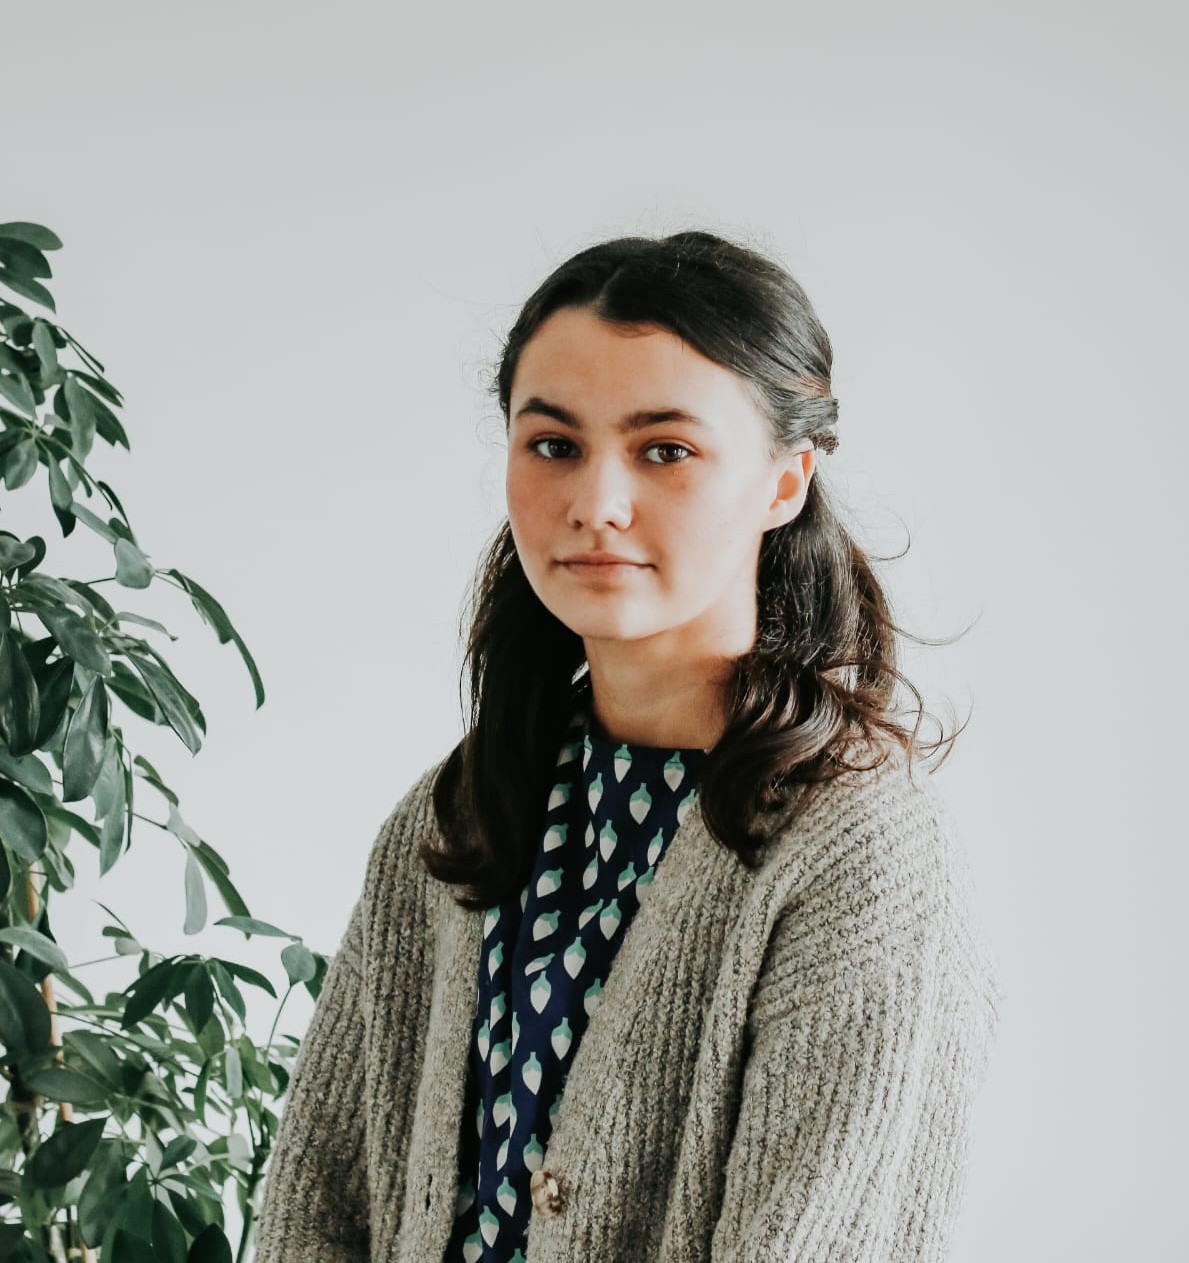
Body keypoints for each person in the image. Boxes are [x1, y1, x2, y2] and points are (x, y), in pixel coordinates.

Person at [253, 229, 1005, 1262]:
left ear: (785, 481)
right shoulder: (458, 814)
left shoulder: (857, 853)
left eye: (666, 450)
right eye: (553, 444)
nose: (595, 504)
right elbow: (314, 1208)